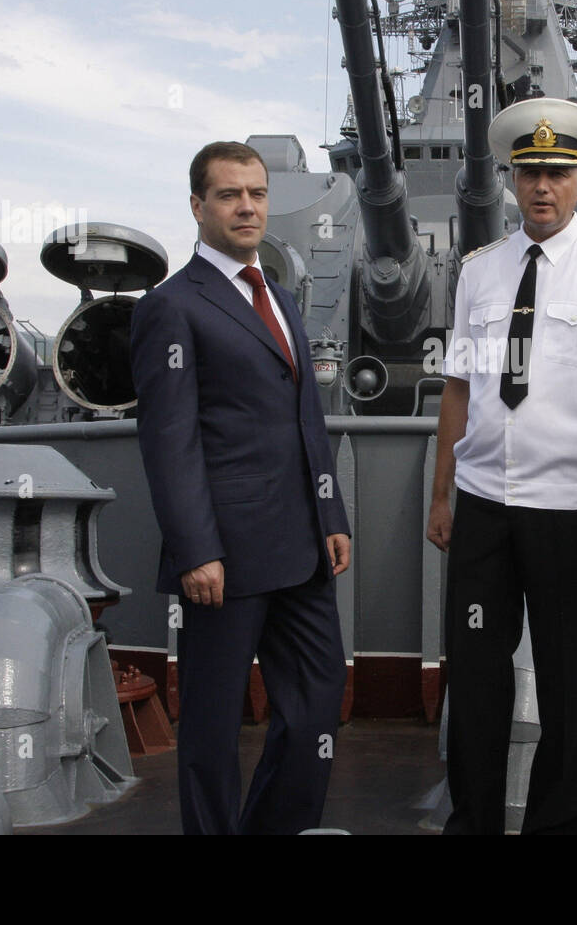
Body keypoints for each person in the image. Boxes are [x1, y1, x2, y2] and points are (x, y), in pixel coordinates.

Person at [427, 97, 577, 834]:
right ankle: (472, 821)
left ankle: (558, 827)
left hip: (574, 509)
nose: (542, 186)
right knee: (473, 674)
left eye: (559, 173)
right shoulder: (480, 272)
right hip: (484, 506)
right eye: (529, 171)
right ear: (510, 178)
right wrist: (442, 495)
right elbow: (461, 387)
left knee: (566, 681)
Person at [130, 140, 351, 835]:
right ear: (198, 206)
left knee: (317, 704)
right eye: (229, 194)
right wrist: (196, 550)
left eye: (256, 192)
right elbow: (170, 439)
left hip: (302, 546)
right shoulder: (172, 307)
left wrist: (331, 511)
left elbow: (304, 416)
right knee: (213, 724)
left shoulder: (279, 297)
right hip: (223, 554)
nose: (248, 206)